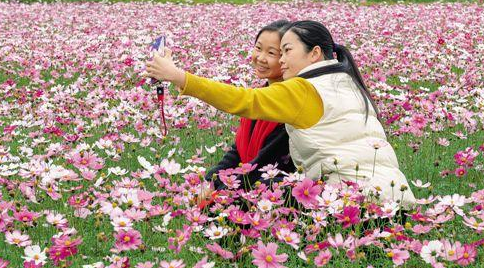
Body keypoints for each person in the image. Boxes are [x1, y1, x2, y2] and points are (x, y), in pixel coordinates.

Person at [146, 20, 416, 209]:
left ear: (315, 53)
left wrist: (179, 77)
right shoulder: (346, 82)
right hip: (393, 198)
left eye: (285, 51)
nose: (282, 60)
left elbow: (243, 100)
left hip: (353, 204)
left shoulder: (302, 89)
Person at [205, 20, 295, 192]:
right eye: (258, 48)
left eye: (271, 53)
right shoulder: (258, 95)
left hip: (275, 192)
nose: (260, 58)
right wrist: (210, 181)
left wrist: (221, 193)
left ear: (286, 58)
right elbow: (237, 152)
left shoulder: (290, 105)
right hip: (247, 185)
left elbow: (262, 165)